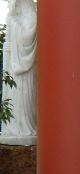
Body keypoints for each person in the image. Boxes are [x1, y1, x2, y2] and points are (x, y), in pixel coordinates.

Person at [1, 0, 37, 143]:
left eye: (11, 3)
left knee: (25, 98)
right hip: (14, 68)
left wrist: (14, 24)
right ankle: (13, 127)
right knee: (13, 96)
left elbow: (27, 39)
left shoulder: (31, 16)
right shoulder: (19, 17)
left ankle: (24, 128)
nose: (10, 6)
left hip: (24, 70)